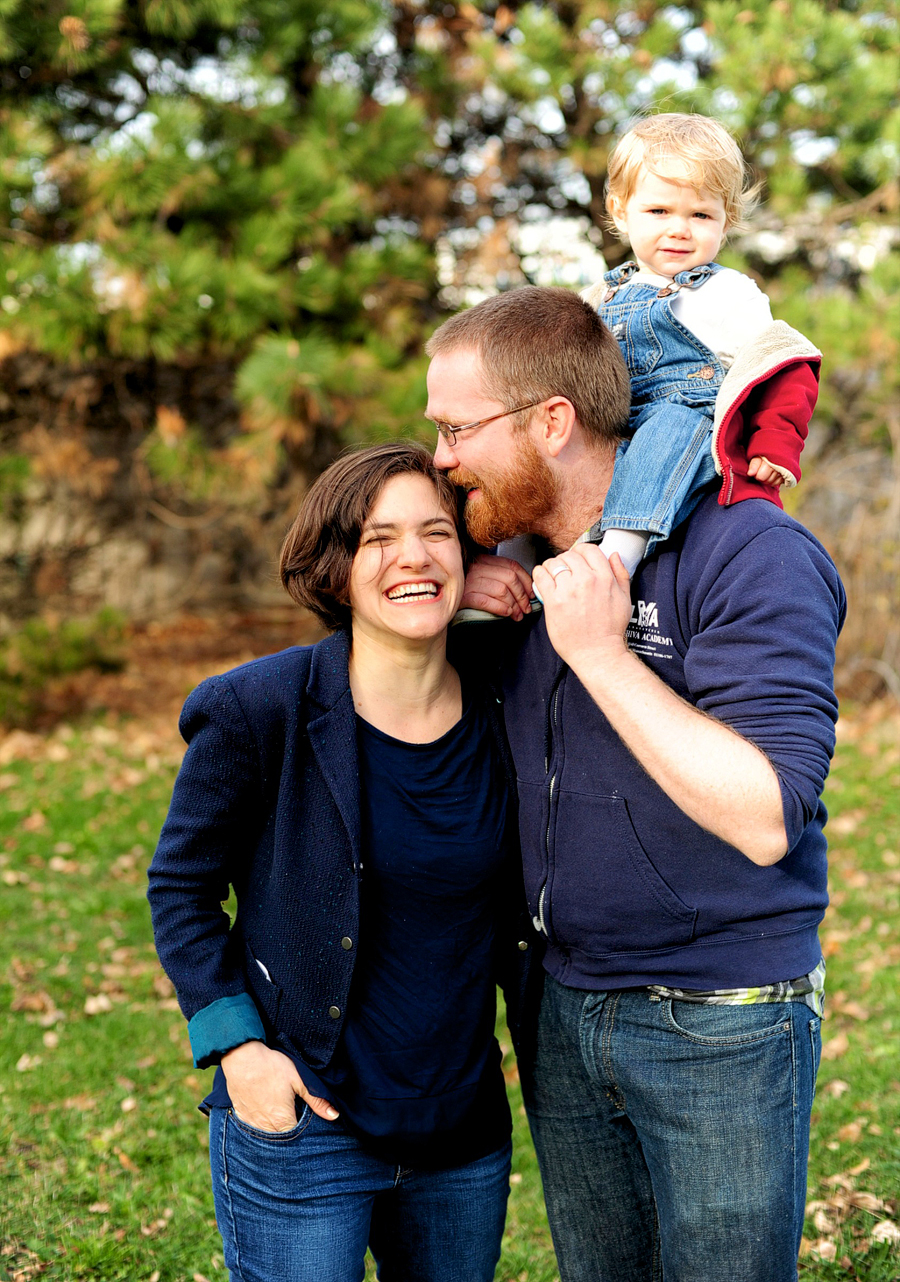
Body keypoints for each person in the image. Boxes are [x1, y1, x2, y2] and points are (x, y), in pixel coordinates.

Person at [425, 285, 846, 1282]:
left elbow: (762, 817)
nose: (441, 455)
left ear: (554, 422)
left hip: (719, 1020)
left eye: (454, 428)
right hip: (562, 1007)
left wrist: (603, 656)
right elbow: (347, 558)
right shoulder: (512, 562)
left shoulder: (752, 552)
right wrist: (447, 599)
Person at [147, 442, 537, 1282]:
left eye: (436, 533)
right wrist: (238, 1052)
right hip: (306, 1121)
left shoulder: (508, 701)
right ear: (335, 566)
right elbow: (180, 886)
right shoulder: (260, 708)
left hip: (459, 1130)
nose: (413, 556)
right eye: (377, 538)